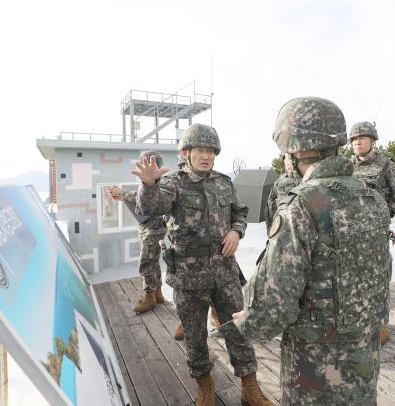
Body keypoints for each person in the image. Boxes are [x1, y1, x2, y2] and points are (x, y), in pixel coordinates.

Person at [234, 97, 392, 405]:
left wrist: (248, 321)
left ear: (295, 147)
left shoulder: (303, 203)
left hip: (315, 356)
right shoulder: (371, 197)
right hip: (365, 346)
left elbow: (276, 297)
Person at [132, 124, 273, 406]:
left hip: (224, 273)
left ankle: (250, 388)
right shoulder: (173, 183)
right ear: (187, 153)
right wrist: (148, 185)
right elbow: (151, 208)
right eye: (199, 150)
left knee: (239, 331)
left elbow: (239, 213)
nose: (206, 156)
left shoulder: (223, 182)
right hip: (188, 276)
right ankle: (206, 388)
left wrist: (236, 231)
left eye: (210, 151)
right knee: (195, 339)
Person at [349, 121, 395, 345]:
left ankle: (380, 325)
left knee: (379, 278)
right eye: (354, 139)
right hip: (352, 233)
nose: (357, 142)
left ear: (372, 140)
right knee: (354, 279)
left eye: (362, 138)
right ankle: (359, 323)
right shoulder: (347, 166)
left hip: (376, 232)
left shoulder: (385, 165)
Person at [108, 150, 168, 313]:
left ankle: (149, 297)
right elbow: (139, 197)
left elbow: (144, 198)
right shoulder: (149, 183)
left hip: (153, 229)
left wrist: (122, 194)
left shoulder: (159, 184)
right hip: (147, 228)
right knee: (153, 262)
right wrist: (122, 195)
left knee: (147, 262)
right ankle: (157, 293)